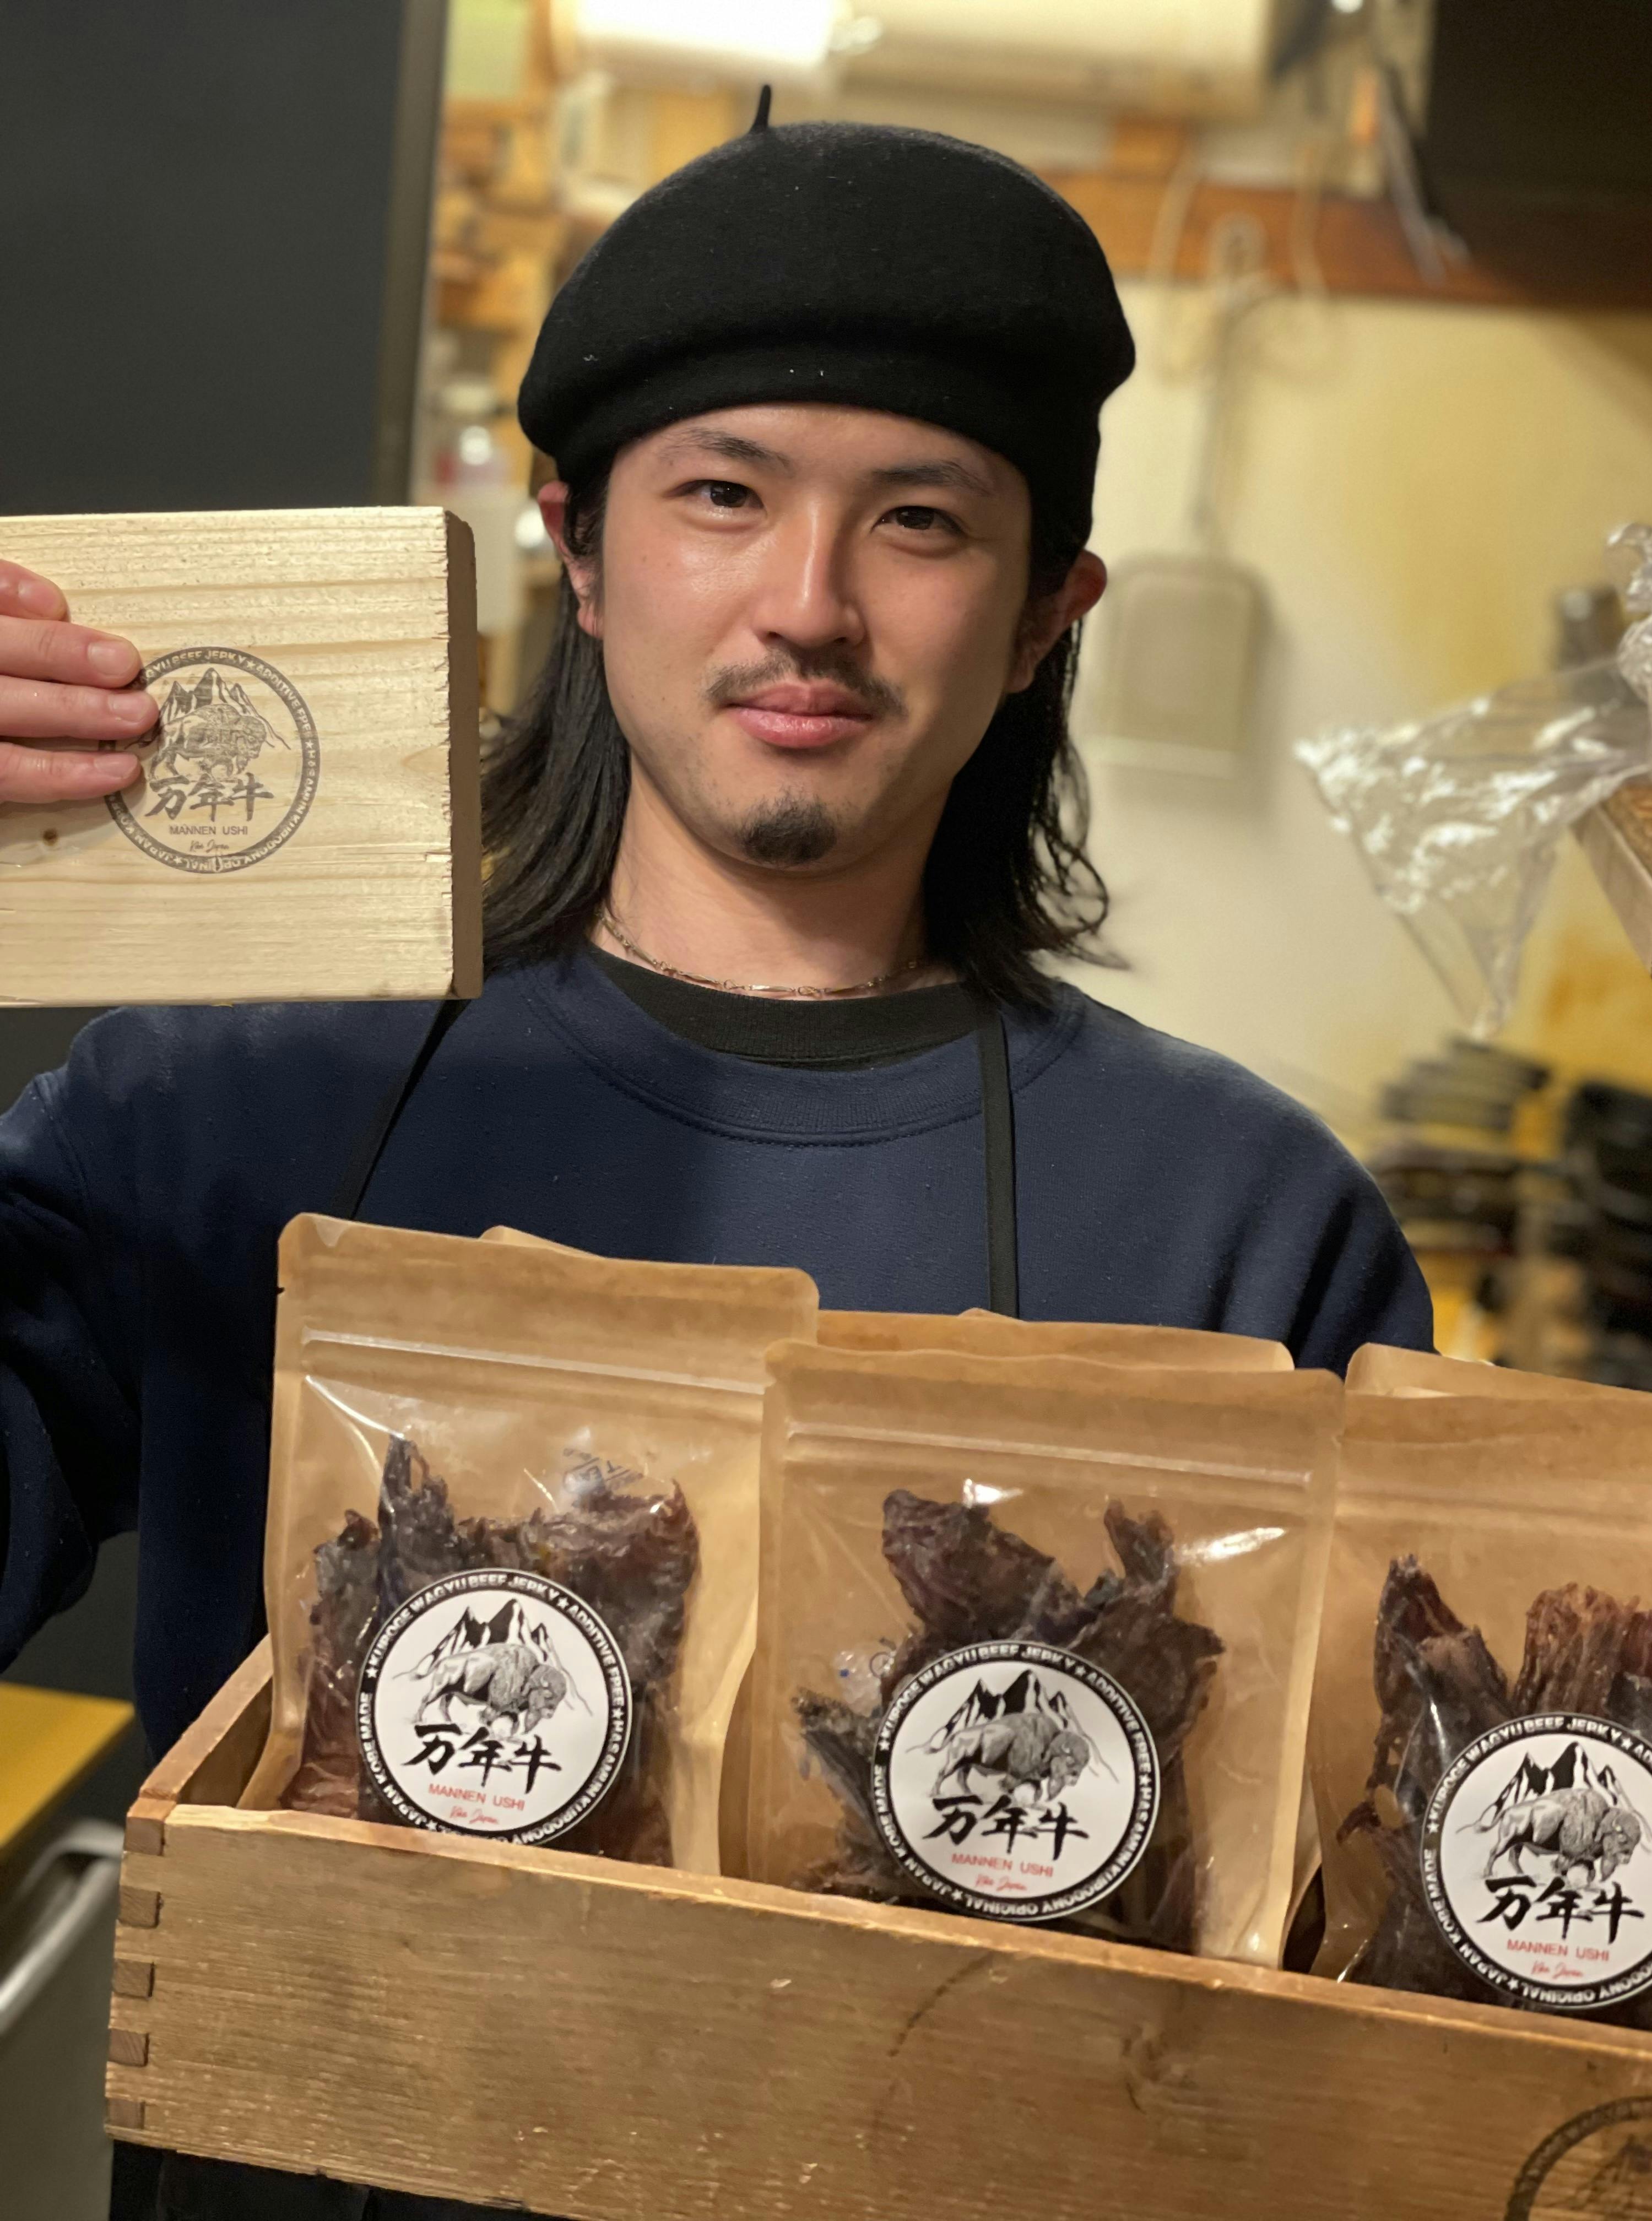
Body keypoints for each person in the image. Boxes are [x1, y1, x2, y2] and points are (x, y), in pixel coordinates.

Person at [0, 112, 1430, 2219]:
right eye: (724, 495)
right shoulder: (221, 1104)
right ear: (579, 554)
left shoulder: (1243, 1224)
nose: (809, 605)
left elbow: (1373, 1989)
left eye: (921, 521)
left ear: (1047, 613)